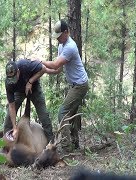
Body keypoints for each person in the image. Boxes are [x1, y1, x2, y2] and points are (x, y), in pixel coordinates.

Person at [41, 19, 89, 152]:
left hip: (80, 85)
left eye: (59, 36)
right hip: (75, 85)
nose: (57, 39)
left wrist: (40, 61)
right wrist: (44, 70)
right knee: (71, 114)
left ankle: (67, 148)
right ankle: (75, 144)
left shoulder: (70, 47)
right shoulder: (61, 46)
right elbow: (58, 70)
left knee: (62, 113)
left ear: (66, 32)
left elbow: (56, 64)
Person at [4, 59, 56, 142]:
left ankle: (51, 142)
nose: (13, 81)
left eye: (14, 78)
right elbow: (11, 106)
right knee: (8, 118)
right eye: (10, 79)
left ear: (18, 71)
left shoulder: (26, 65)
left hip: (34, 88)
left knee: (43, 115)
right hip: (19, 92)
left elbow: (43, 68)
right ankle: (6, 143)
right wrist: (14, 127)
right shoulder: (9, 83)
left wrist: (30, 82)